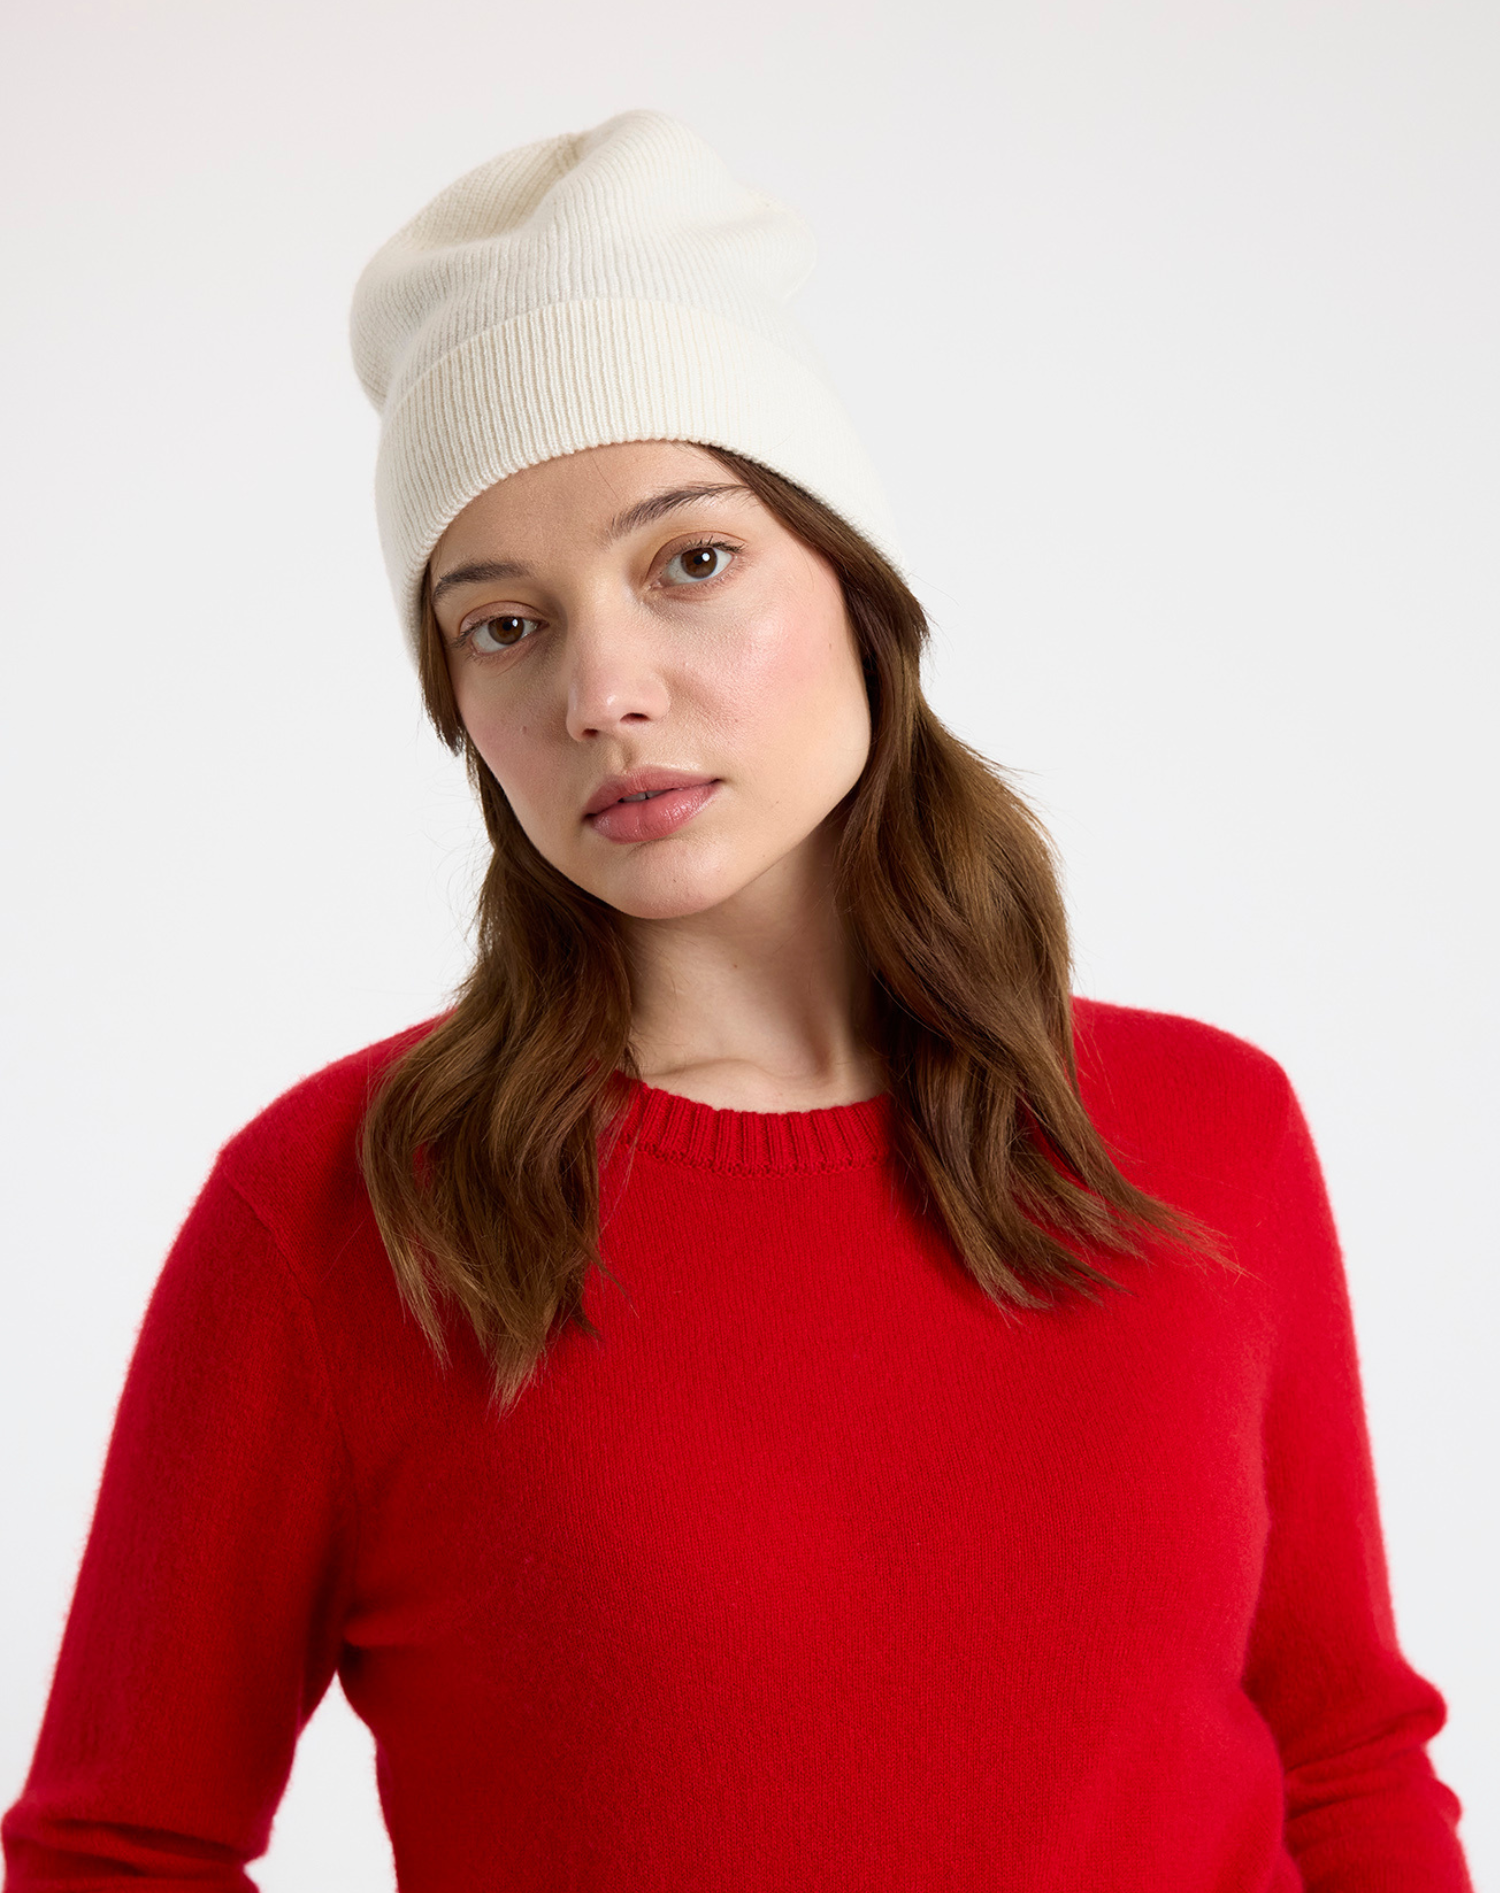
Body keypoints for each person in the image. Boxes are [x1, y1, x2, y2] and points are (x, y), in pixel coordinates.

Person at [1, 110, 1474, 1891]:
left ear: (855, 591)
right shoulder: (338, 1209)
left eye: (690, 561)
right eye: (503, 624)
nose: (605, 690)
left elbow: (1342, 1764)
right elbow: (118, 1848)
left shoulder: (1206, 1133)